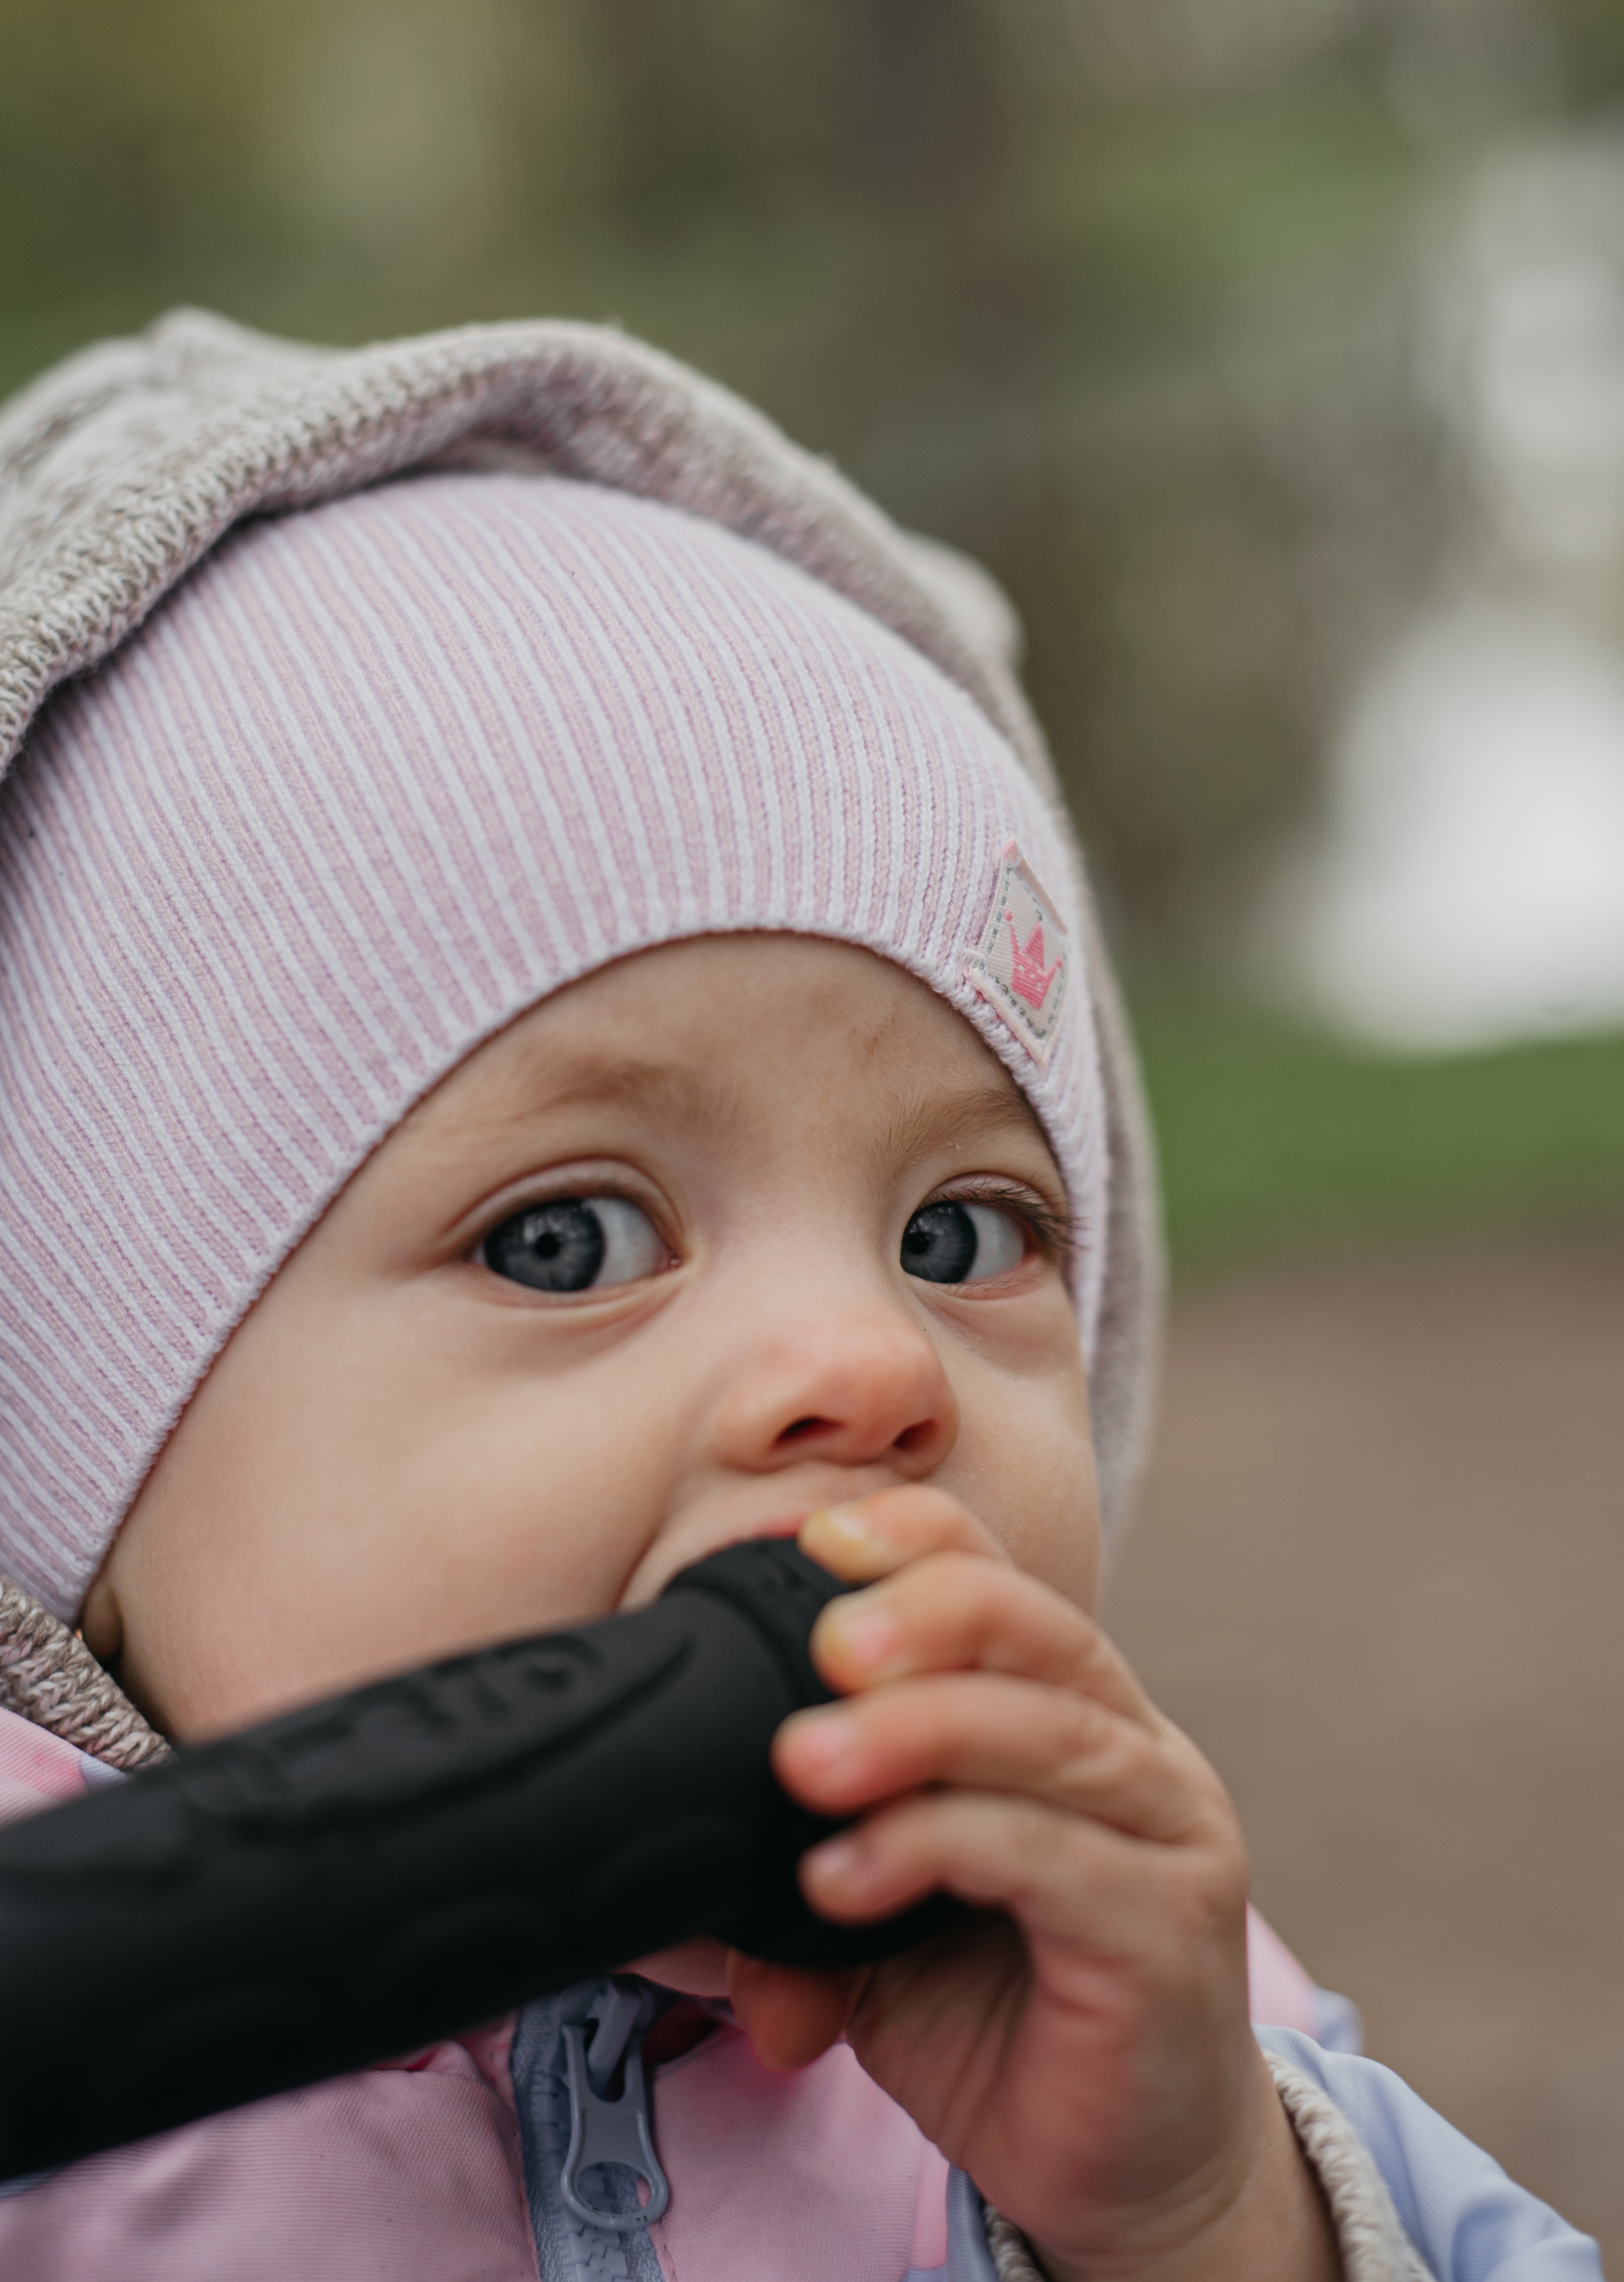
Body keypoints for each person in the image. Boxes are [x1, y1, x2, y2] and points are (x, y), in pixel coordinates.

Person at [0, 311, 1596, 2280]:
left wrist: (1209, 2221)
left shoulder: (1152, 2018)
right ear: (74, 1472)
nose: (870, 1362)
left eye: (959, 1238)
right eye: (567, 1241)